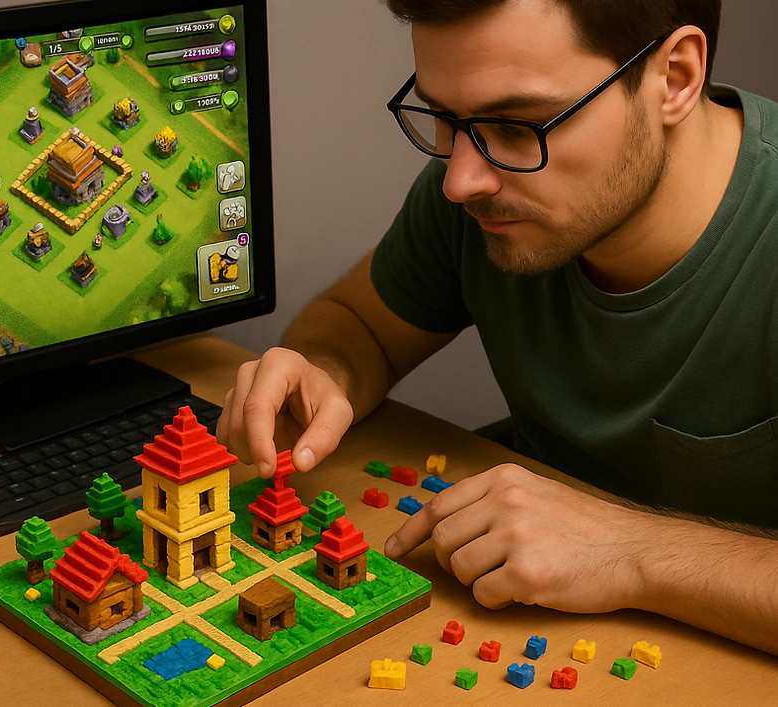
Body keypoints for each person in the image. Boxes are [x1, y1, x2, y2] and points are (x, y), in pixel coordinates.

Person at [216, 0, 778, 655]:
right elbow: (358, 324)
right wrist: (320, 373)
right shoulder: (487, 190)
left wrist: (629, 548)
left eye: (517, 126)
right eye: (446, 118)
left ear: (675, 78)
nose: (459, 181)